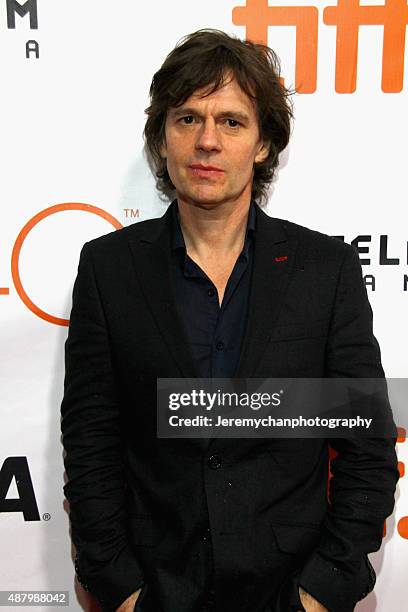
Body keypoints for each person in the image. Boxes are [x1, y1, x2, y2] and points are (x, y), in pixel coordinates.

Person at [60, 29, 399, 612]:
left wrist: (322, 591)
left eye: (232, 122)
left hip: (289, 590)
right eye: (187, 119)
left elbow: (367, 446)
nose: (207, 142)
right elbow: (92, 440)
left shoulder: (324, 270)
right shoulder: (109, 268)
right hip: (154, 588)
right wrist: (121, 588)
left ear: (264, 143)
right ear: (162, 138)